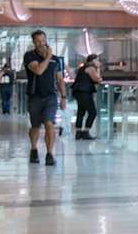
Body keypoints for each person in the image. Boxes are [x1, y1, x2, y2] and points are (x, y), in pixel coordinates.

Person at [23, 30, 66, 166]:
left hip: (50, 96)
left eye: (43, 41)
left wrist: (63, 97)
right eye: (38, 41)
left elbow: (59, 79)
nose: (42, 44)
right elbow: (39, 70)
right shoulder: (30, 56)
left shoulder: (56, 59)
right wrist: (47, 57)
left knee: (49, 123)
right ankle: (34, 148)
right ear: (34, 43)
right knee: (35, 126)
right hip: (35, 96)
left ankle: (49, 153)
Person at [72, 54, 103, 140]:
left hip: (79, 92)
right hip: (84, 92)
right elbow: (97, 79)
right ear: (93, 61)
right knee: (92, 112)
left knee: (81, 112)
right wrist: (98, 69)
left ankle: (78, 133)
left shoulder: (83, 67)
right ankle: (85, 132)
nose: (98, 62)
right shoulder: (91, 68)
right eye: (97, 60)